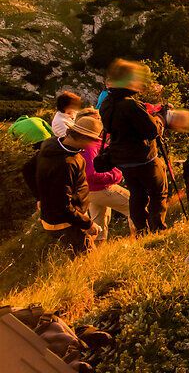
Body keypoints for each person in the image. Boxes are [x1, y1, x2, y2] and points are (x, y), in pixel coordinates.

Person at [100, 60, 167, 235]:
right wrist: (160, 118)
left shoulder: (107, 104)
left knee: (137, 194)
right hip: (143, 158)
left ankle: (141, 230)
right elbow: (152, 131)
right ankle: (157, 229)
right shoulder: (130, 105)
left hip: (124, 160)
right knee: (158, 193)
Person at [31, 114, 103, 257]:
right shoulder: (67, 163)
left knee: (78, 256)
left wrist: (39, 196)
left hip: (57, 216)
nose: (93, 144)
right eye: (93, 140)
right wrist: (87, 224)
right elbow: (63, 205)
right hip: (66, 222)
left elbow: (28, 168)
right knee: (87, 259)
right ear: (84, 138)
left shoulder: (51, 144)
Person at [72, 109, 130, 240]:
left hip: (89, 191)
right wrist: (116, 175)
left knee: (99, 221)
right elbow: (90, 174)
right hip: (101, 188)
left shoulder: (81, 142)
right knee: (135, 206)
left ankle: (96, 252)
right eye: (96, 119)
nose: (100, 122)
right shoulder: (89, 145)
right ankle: (142, 237)